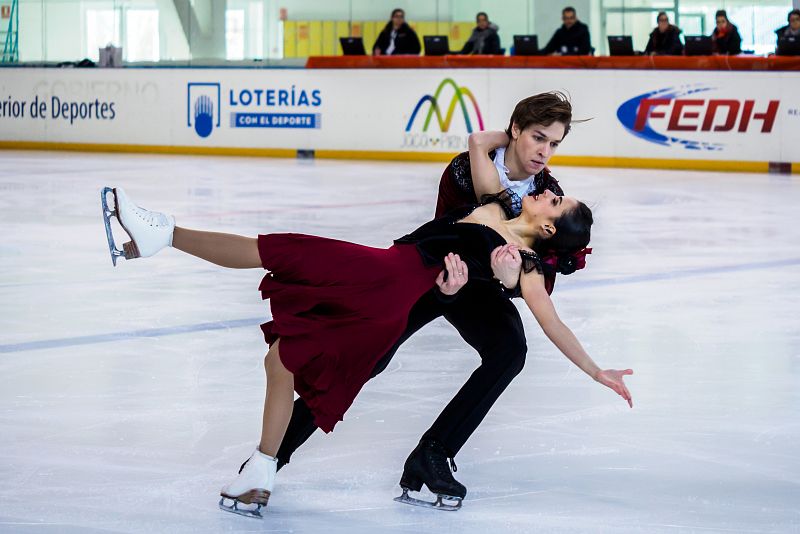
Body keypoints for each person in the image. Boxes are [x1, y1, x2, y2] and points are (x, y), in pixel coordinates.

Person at [100, 178, 633, 517]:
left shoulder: (519, 262)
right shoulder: (498, 205)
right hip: (381, 268)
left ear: (547, 225)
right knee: (281, 345)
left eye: (557, 201)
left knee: (283, 261)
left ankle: (164, 233)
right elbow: (481, 144)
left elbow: (550, 321)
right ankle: (262, 470)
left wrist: (595, 370)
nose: (549, 188)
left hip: (386, 288)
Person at [269, 93, 591, 512]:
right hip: (434, 272)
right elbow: (453, 231)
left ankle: (433, 453)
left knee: (509, 350)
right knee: (369, 356)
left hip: (480, 286)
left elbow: (540, 271)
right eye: (538, 137)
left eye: (554, 144)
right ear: (516, 130)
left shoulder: (548, 193)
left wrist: (511, 281)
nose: (544, 153)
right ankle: (273, 454)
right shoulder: (463, 170)